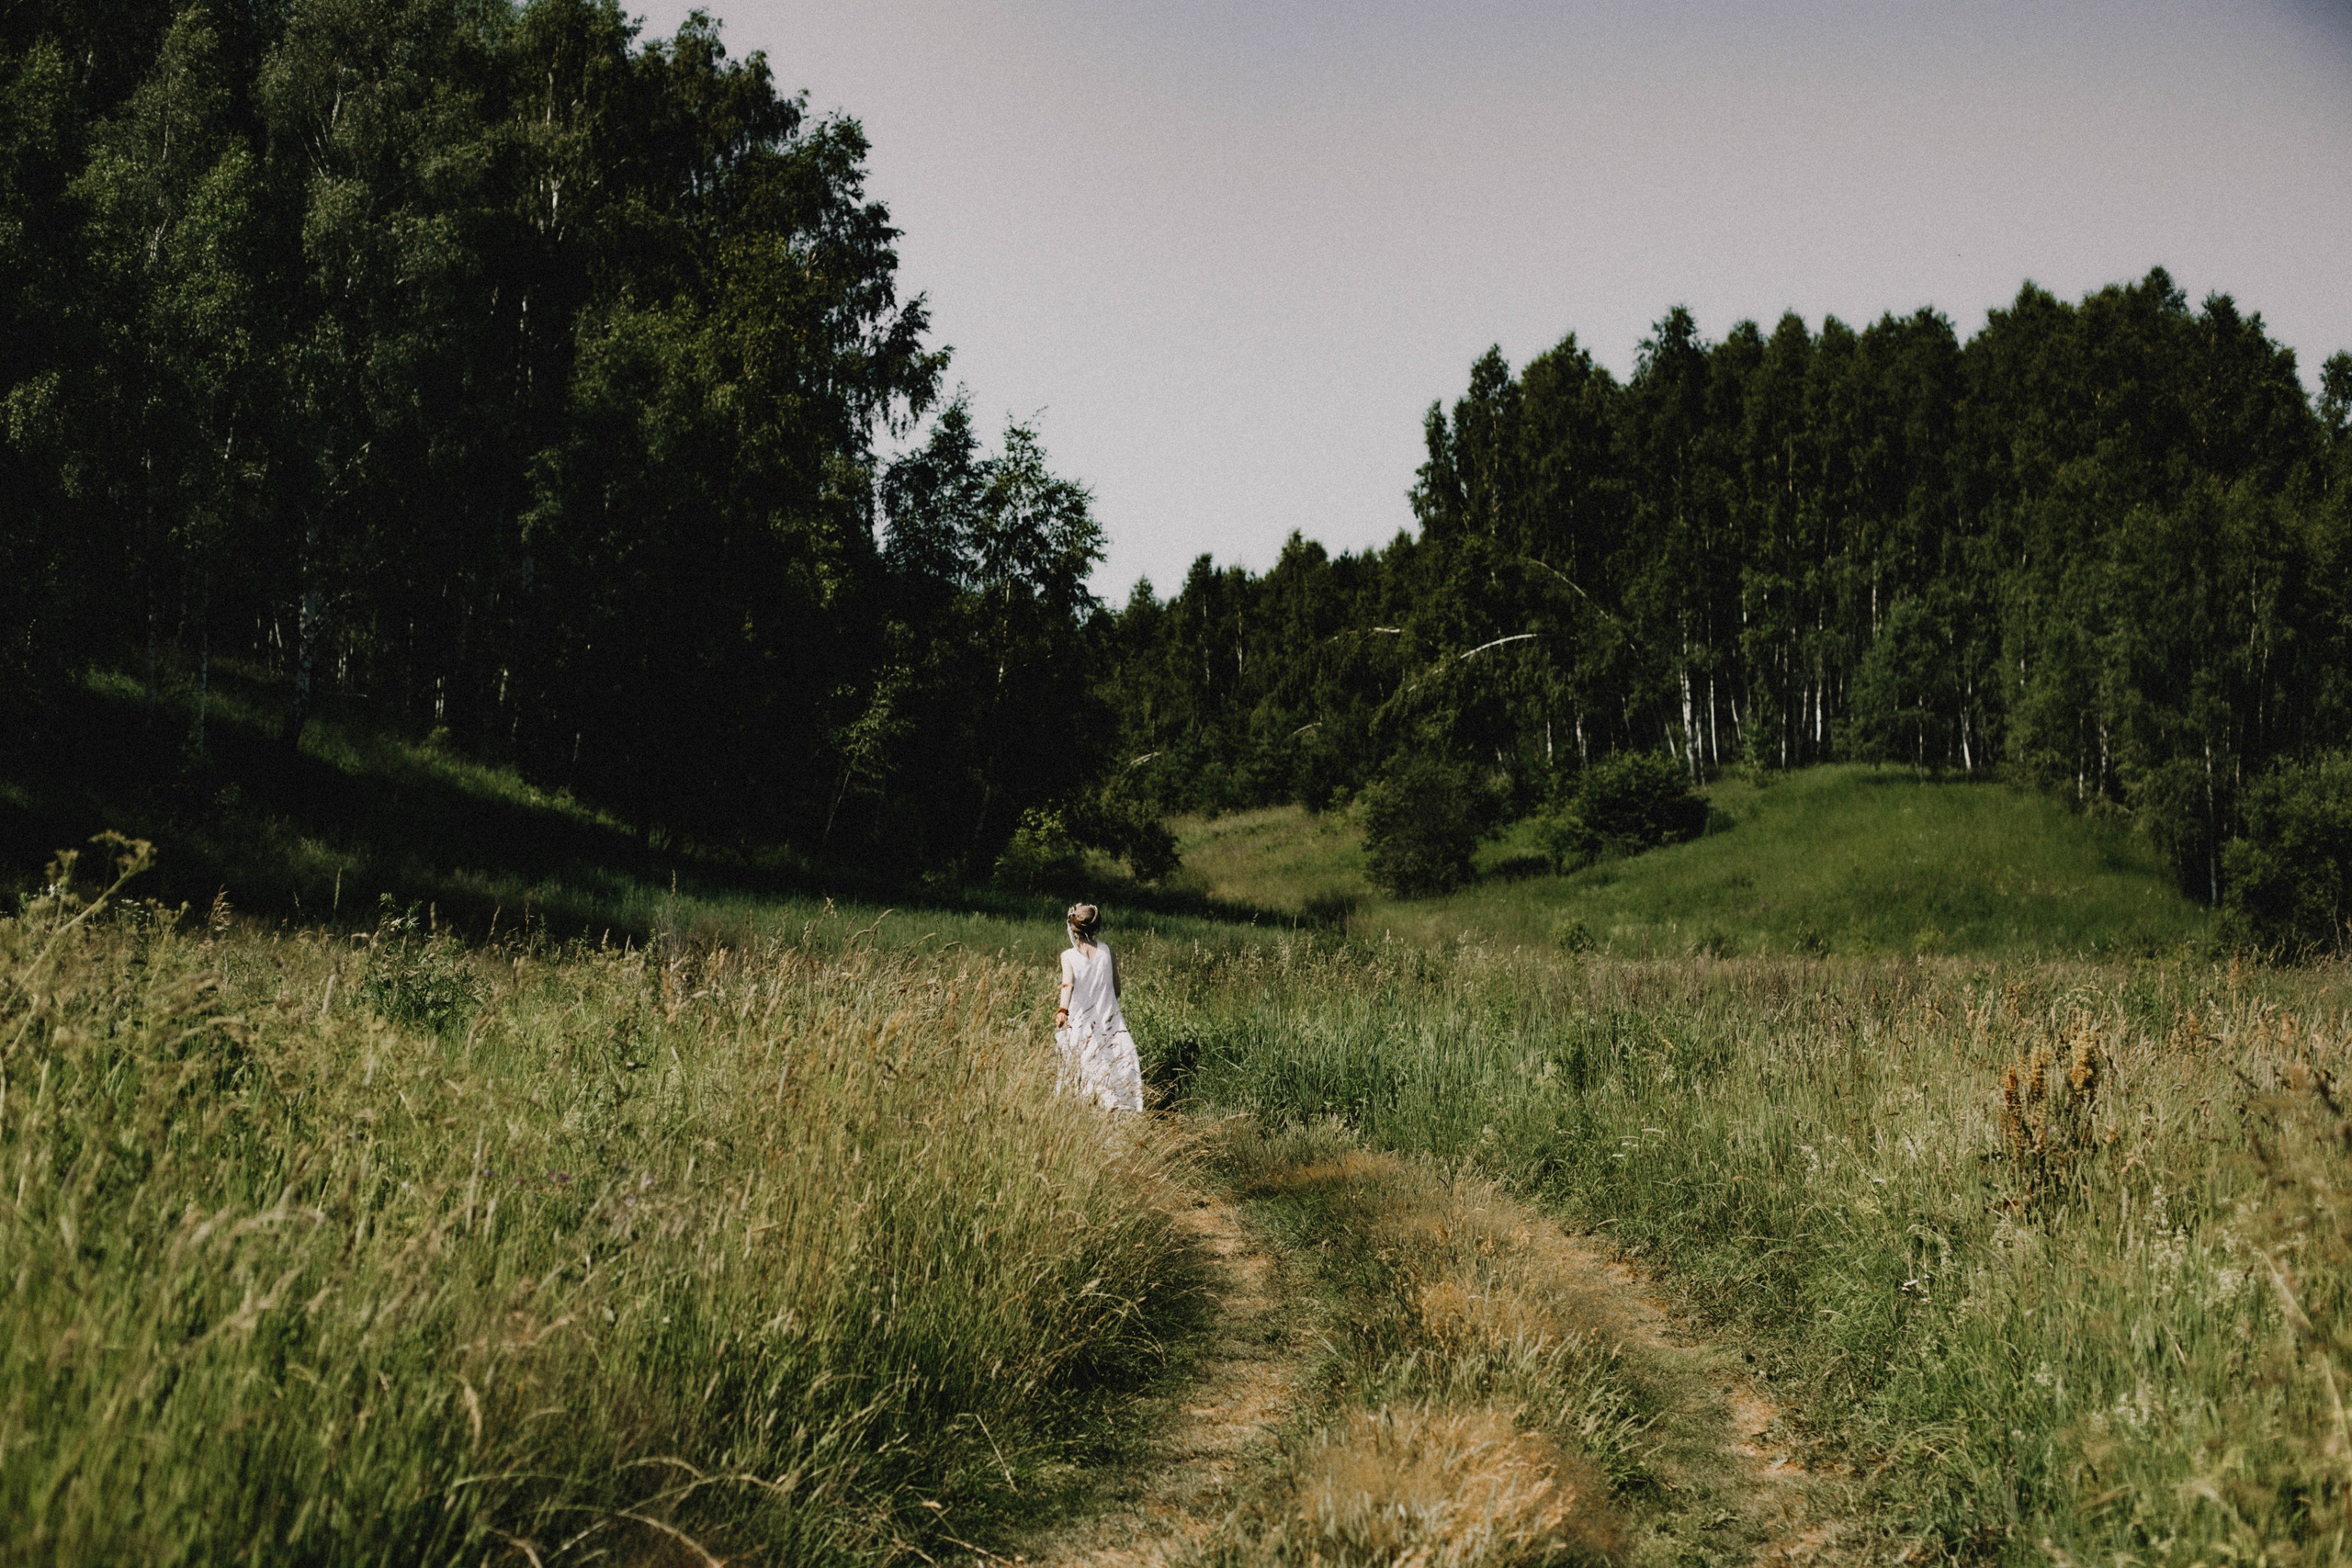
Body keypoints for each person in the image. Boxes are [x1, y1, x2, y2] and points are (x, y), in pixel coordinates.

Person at [1054, 901, 1144, 1111]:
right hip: (1110, 1023)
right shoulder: (1106, 951)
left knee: (1081, 1075)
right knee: (1111, 1073)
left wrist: (1063, 1010)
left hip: (1081, 1026)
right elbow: (1117, 989)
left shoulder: (1068, 956)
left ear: (1072, 927)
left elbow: (1067, 985)